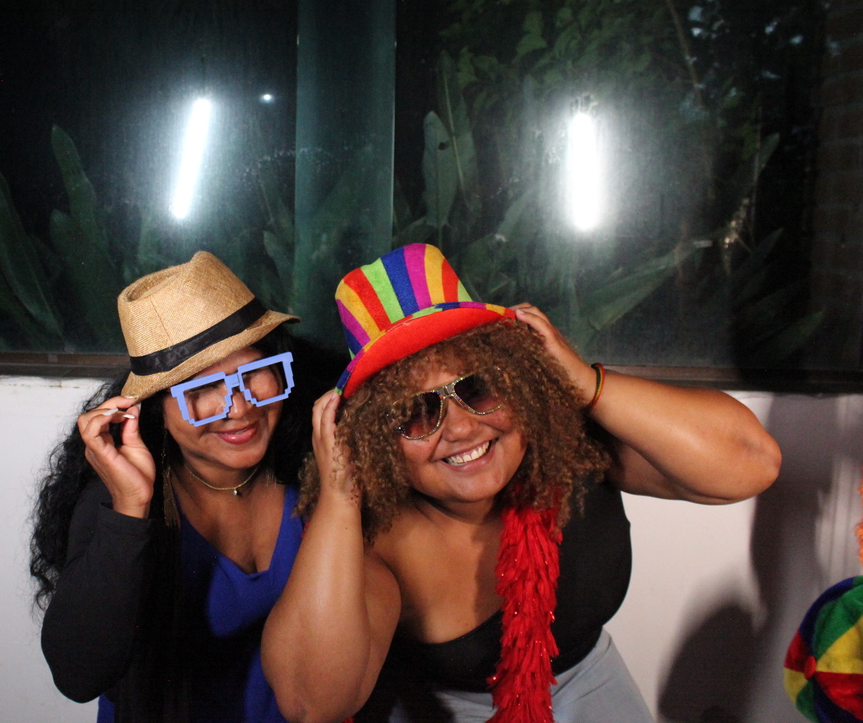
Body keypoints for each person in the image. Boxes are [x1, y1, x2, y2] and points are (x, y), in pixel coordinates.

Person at [261, 243, 782, 723]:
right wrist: (340, 495)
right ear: (376, 441)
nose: (460, 429)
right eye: (414, 414)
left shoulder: (570, 450)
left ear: (521, 380)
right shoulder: (379, 537)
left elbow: (753, 462)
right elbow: (311, 703)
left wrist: (585, 382)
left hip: (592, 680)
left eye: (479, 388)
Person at [31, 251, 336, 723]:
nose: (239, 407)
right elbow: (77, 676)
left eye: (254, 373)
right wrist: (129, 508)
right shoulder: (122, 499)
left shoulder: (311, 462)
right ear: (154, 409)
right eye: (201, 390)